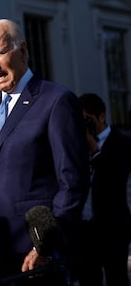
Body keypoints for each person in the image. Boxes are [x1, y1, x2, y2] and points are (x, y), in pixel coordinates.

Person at [0, 18, 89, 285]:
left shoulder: (56, 100)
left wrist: (46, 243)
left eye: (0, 52)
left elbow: (73, 180)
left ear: (23, 50)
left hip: (38, 256)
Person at [77, 93, 131, 286]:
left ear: (102, 116)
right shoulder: (76, 144)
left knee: (117, 278)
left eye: (88, 119)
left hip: (113, 228)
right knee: (88, 279)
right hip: (86, 229)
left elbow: (116, 178)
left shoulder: (123, 143)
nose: (85, 124)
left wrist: (95, 151)